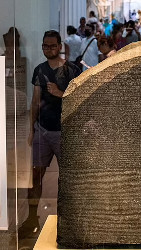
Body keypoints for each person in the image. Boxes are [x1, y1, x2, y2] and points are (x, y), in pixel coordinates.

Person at [18, 30, 81, 239]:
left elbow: (80, 99)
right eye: (45, 46)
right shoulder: (39, 70)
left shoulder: (72, 70)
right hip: (43, 131)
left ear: (59, 46)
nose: (48, 49)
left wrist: (60, 94)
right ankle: (31, 219)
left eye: (52, 46)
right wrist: (30, 129)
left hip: (64, 131)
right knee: (35, 176)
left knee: (70, 178)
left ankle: (71, 220)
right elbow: (35, 101)